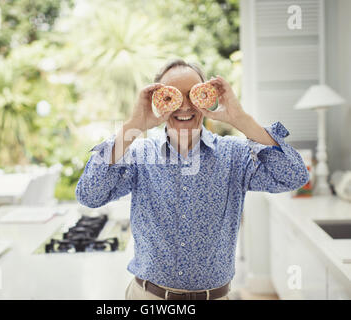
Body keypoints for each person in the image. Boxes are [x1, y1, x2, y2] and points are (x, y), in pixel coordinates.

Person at [75, 59, 309, 300]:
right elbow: (89, 195)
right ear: (157, 101)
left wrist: (240, 119)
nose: (184, 106)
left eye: (193, 95)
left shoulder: (235, 155)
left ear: (206, 98)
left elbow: (293, 176)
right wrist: (134, 125)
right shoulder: (139, 155)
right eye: (172, 97)